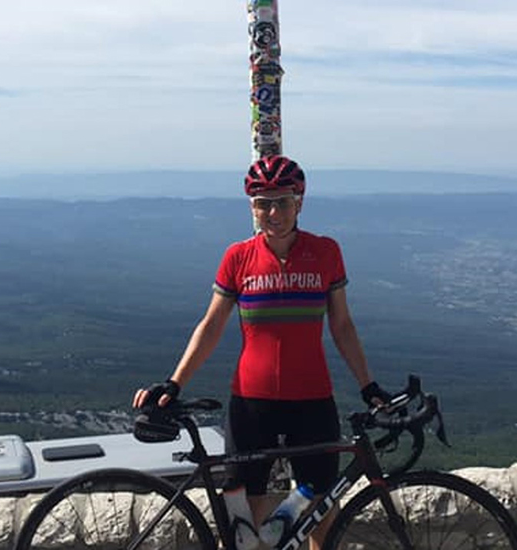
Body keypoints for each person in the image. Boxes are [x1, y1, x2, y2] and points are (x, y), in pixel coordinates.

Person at [133, 155, 390, 550]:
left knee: (320, 514)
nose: (273, 212)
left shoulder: (325, 253)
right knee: (243, 524)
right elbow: (212, 324)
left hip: (312, 400)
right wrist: (175, 381)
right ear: (251, 206)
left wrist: (368, 386)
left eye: (283, 202)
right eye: (262, 202)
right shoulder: (238, 257)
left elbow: (342, 326)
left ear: (299, 202)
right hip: (252, 403)